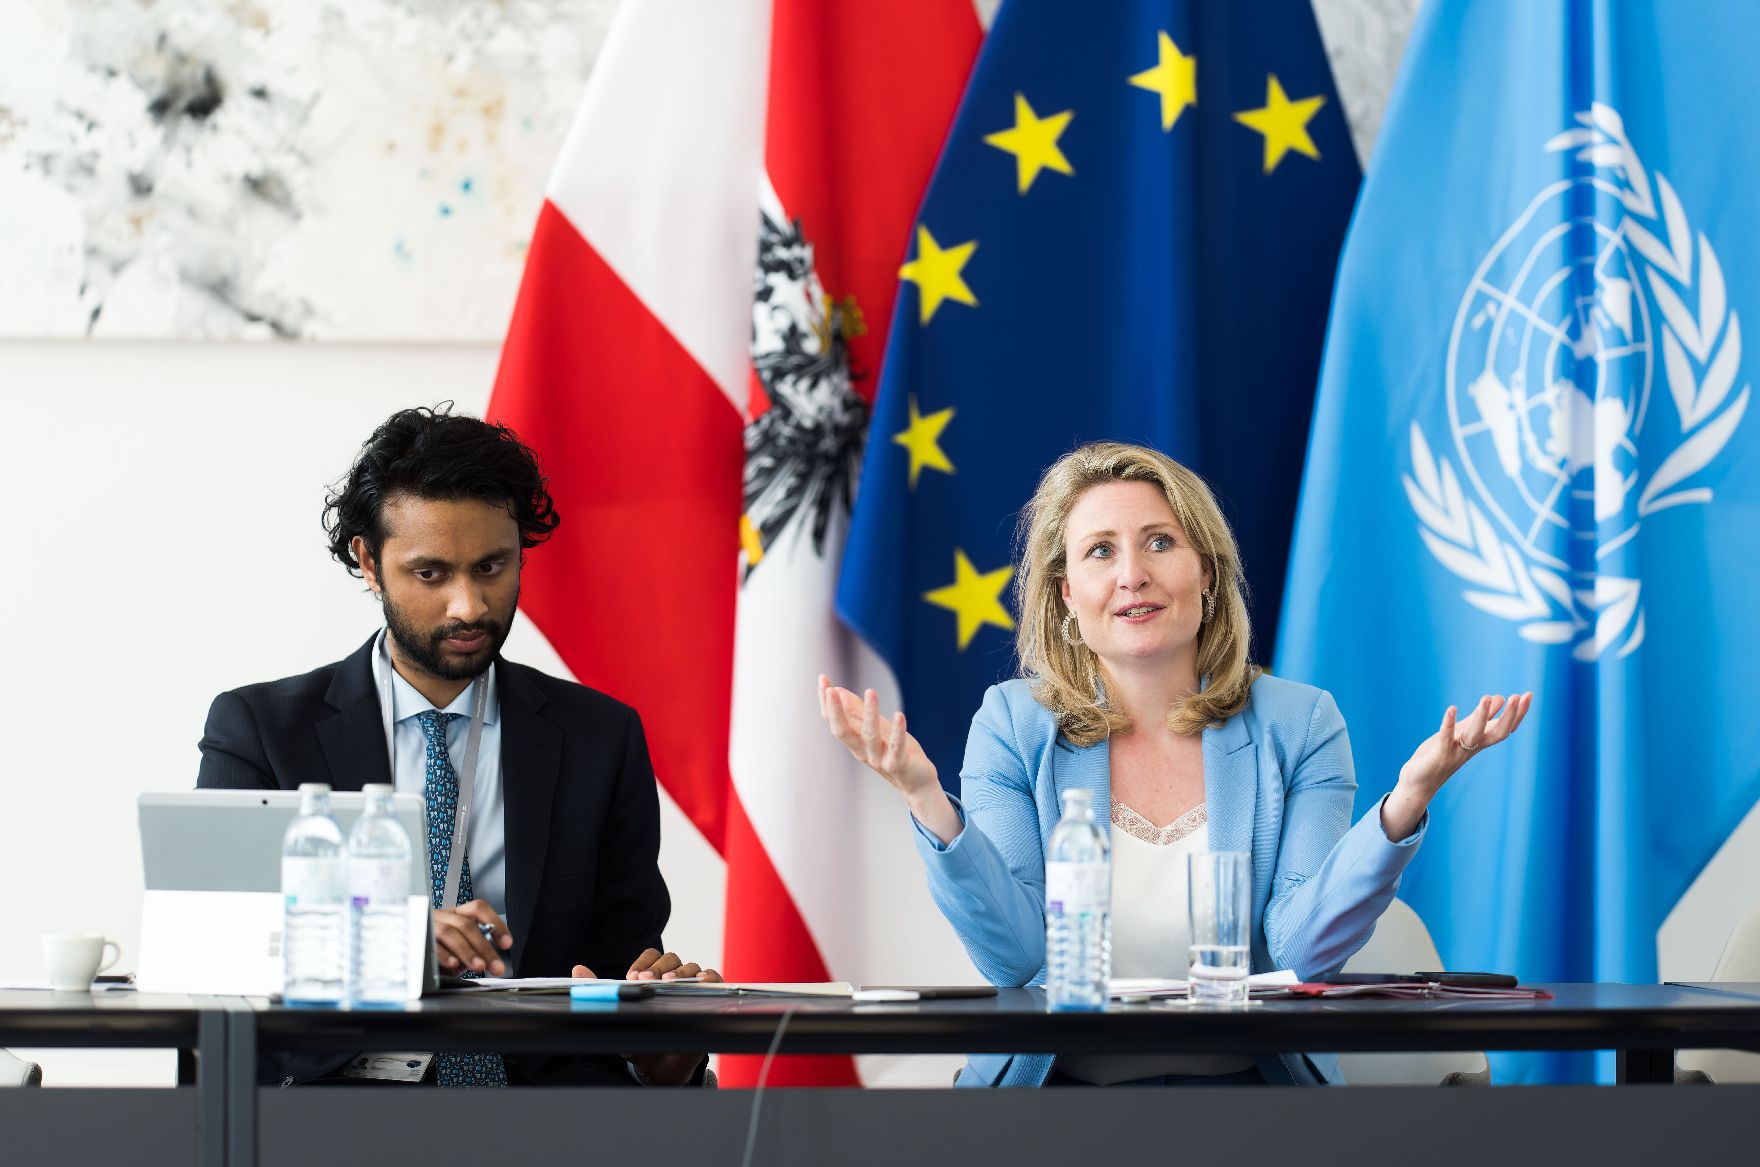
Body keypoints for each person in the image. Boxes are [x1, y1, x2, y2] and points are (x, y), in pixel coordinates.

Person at [820, 441, 1532, 1087]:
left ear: (1206, 573)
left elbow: (1301, 951)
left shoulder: (1300, 722)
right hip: (1055, 1102)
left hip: (1251, 1100)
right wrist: (925, 798)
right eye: (1100, 551)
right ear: (1068, 593)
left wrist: (1404, 802)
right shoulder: (1012, 724)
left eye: (1160, 542)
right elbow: (1014, 956)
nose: (1133, 574)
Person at [199, 405, 717, 1087]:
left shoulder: (601, 736)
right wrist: (394, 948)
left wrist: (666, 1049)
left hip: (546, 1122)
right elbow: (220, 953)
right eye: (432, 573)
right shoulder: (262, 731)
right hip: (336, 1113)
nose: (469, 605)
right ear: (368, 561)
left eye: (492, 566)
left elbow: (623, 974)